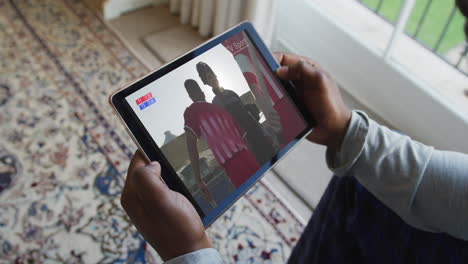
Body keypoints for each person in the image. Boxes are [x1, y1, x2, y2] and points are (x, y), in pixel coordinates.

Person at [120, 1, 468, 262]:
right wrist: (347, 129)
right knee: (354, 183)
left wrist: (190, 252)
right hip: (236, 154)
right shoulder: (198, 109)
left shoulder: (224, 95)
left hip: (249, 145)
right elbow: (197, 145)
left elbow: (244, 116)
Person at [182, 79, 260, 205]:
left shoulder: (192, 111)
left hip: (233, 164)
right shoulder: (221, 110)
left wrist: (199, 179)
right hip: (249, 156)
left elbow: (191, 145)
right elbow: (244, 138)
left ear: (191, 95)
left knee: (253, 201)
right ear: (202, 92)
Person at [195, 61, 277, 165]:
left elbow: (248, 115)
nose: (214, 78)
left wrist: (265, 133)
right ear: (207, 82)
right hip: (247, 142)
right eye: (209, 77)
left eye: (213, 75)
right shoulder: (216, 103)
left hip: (258, 132)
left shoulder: (231, 92)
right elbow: (227, 128)